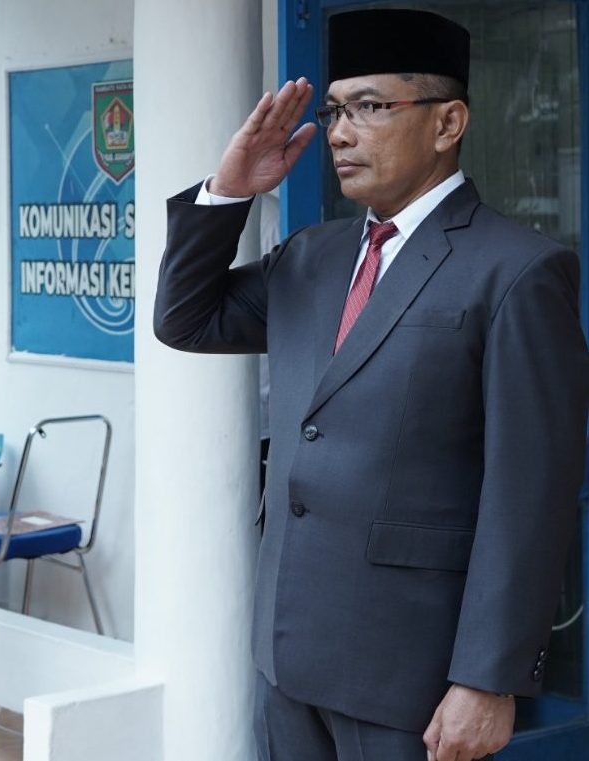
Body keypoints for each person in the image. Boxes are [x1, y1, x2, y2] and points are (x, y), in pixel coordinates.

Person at [153, 9, 589, 761]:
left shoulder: (515, 271)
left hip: (411, 675)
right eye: (334, 111)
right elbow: (186, 319)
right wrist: (229, 189)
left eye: (371, 107)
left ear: (448, 122)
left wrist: (487, 678)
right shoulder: (311, 258)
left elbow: (530, 492)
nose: (341, 133)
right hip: (288, 658)